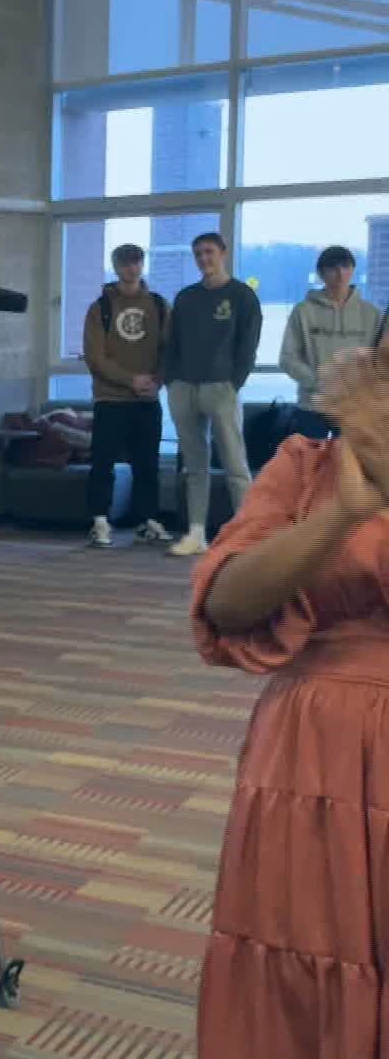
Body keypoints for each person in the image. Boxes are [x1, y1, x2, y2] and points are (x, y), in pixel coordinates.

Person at [190, 347, 389, 1056]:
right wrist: (341, 514)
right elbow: (226, 601)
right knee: (295, 981)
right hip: (310, 763)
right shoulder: (306, 464)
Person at [162, 232, 261, 557]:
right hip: (184, 388)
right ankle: (196, 533)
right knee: (194, 467)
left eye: (209, 252)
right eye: (198, 254)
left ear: (223, 253)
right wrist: (171, 380)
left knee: (235, 466)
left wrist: (234, 383)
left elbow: (248, 346)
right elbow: (172, 343)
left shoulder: (243, 296)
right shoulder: (186, 297)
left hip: (222, 389)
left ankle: (247, 535)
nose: (204, 259)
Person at [80, 242, 171, 547]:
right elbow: (95, 357)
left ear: (142, 265)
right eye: (124, 263)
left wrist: (155, 380)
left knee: (148, 464)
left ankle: (147, 521)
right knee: (103, 463)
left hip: (148, 400)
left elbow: (169, 349)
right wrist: (130, 380)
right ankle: (100, 521)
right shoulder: (100, 308)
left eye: (136, 262)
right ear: (115, 267)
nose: (130, 268)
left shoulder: (158, 305)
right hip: (111, 400)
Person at [281, 245, 381, 439]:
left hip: (355, 407)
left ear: (352, 270)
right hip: (312, 406)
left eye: (345, 267)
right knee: (310, 466)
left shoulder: (371, 314)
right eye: (333, 269)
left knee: (350, 466)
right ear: (321, 273)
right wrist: (319, 382)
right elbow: (287, 358)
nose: (340, 274)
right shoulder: (303, 312)